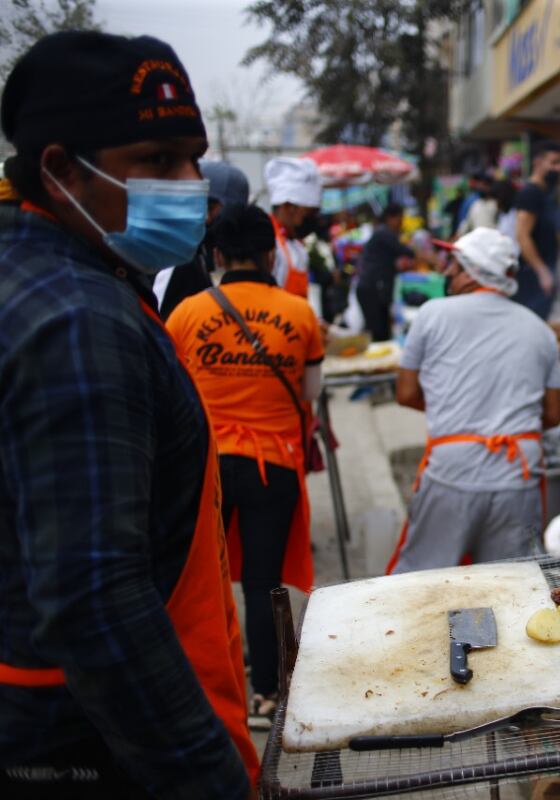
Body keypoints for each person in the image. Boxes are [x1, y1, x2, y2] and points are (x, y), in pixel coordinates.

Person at [0, 31, 257, 798]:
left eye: (191, 158)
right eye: (154, 161)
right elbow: (95, 600)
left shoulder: (49, 277)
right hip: (89, 742)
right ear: (59, 169)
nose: (189, 185)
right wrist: (212, 780)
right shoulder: (78, 319)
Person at [166, 203, 324, 728]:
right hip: (272, 466)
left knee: (202, 579)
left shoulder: (186, 313)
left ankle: (201, 688)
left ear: (215, 254)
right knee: (262, 581)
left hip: (206, 466)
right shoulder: (299, 313)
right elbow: (311, 396)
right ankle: (267, 696)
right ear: (269, 253)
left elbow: (172, 396)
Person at [386, 228, 560, 573]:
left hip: (453, 471)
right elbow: (553, 414)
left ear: (471, 270)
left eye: (453, 263)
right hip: (517, 475)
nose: (446, 271)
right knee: (512, 586)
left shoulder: (432, 314)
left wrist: (460, 412)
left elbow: (406, 393)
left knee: (424, 582)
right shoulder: (540, 329)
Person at [154, 160, 250, 320]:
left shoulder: (201, 257)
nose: (205, 217)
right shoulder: (177, 259)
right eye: (201, 206)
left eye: (210, 208)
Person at [513, 140, 560, 319]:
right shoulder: (530, 193)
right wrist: (542, 272)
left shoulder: (546, 194)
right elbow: (522, 235)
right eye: (554, 162)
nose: (559, 168)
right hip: (532, 278)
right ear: (538, 163)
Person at [356, 204, 416, 341]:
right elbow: (406, 251)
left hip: (373, 288)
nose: (401, 224)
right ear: (390, 218)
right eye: (400, 219)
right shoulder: (384, 233)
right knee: (377, 332)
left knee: (382, 330)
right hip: (372, 289)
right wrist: (423, 255)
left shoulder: (383, 233)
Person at [265, 155, 322, 299]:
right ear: (288, 207)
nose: (312, 220)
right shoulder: (267, 242)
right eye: (308, 213)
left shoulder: (296, 245)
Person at [456, 172, 497, 236]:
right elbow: (464, 223)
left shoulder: (496, 203)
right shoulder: (473, 203)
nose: (481, 186)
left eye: (485, 185)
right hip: (476, 240)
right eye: (480, 184)